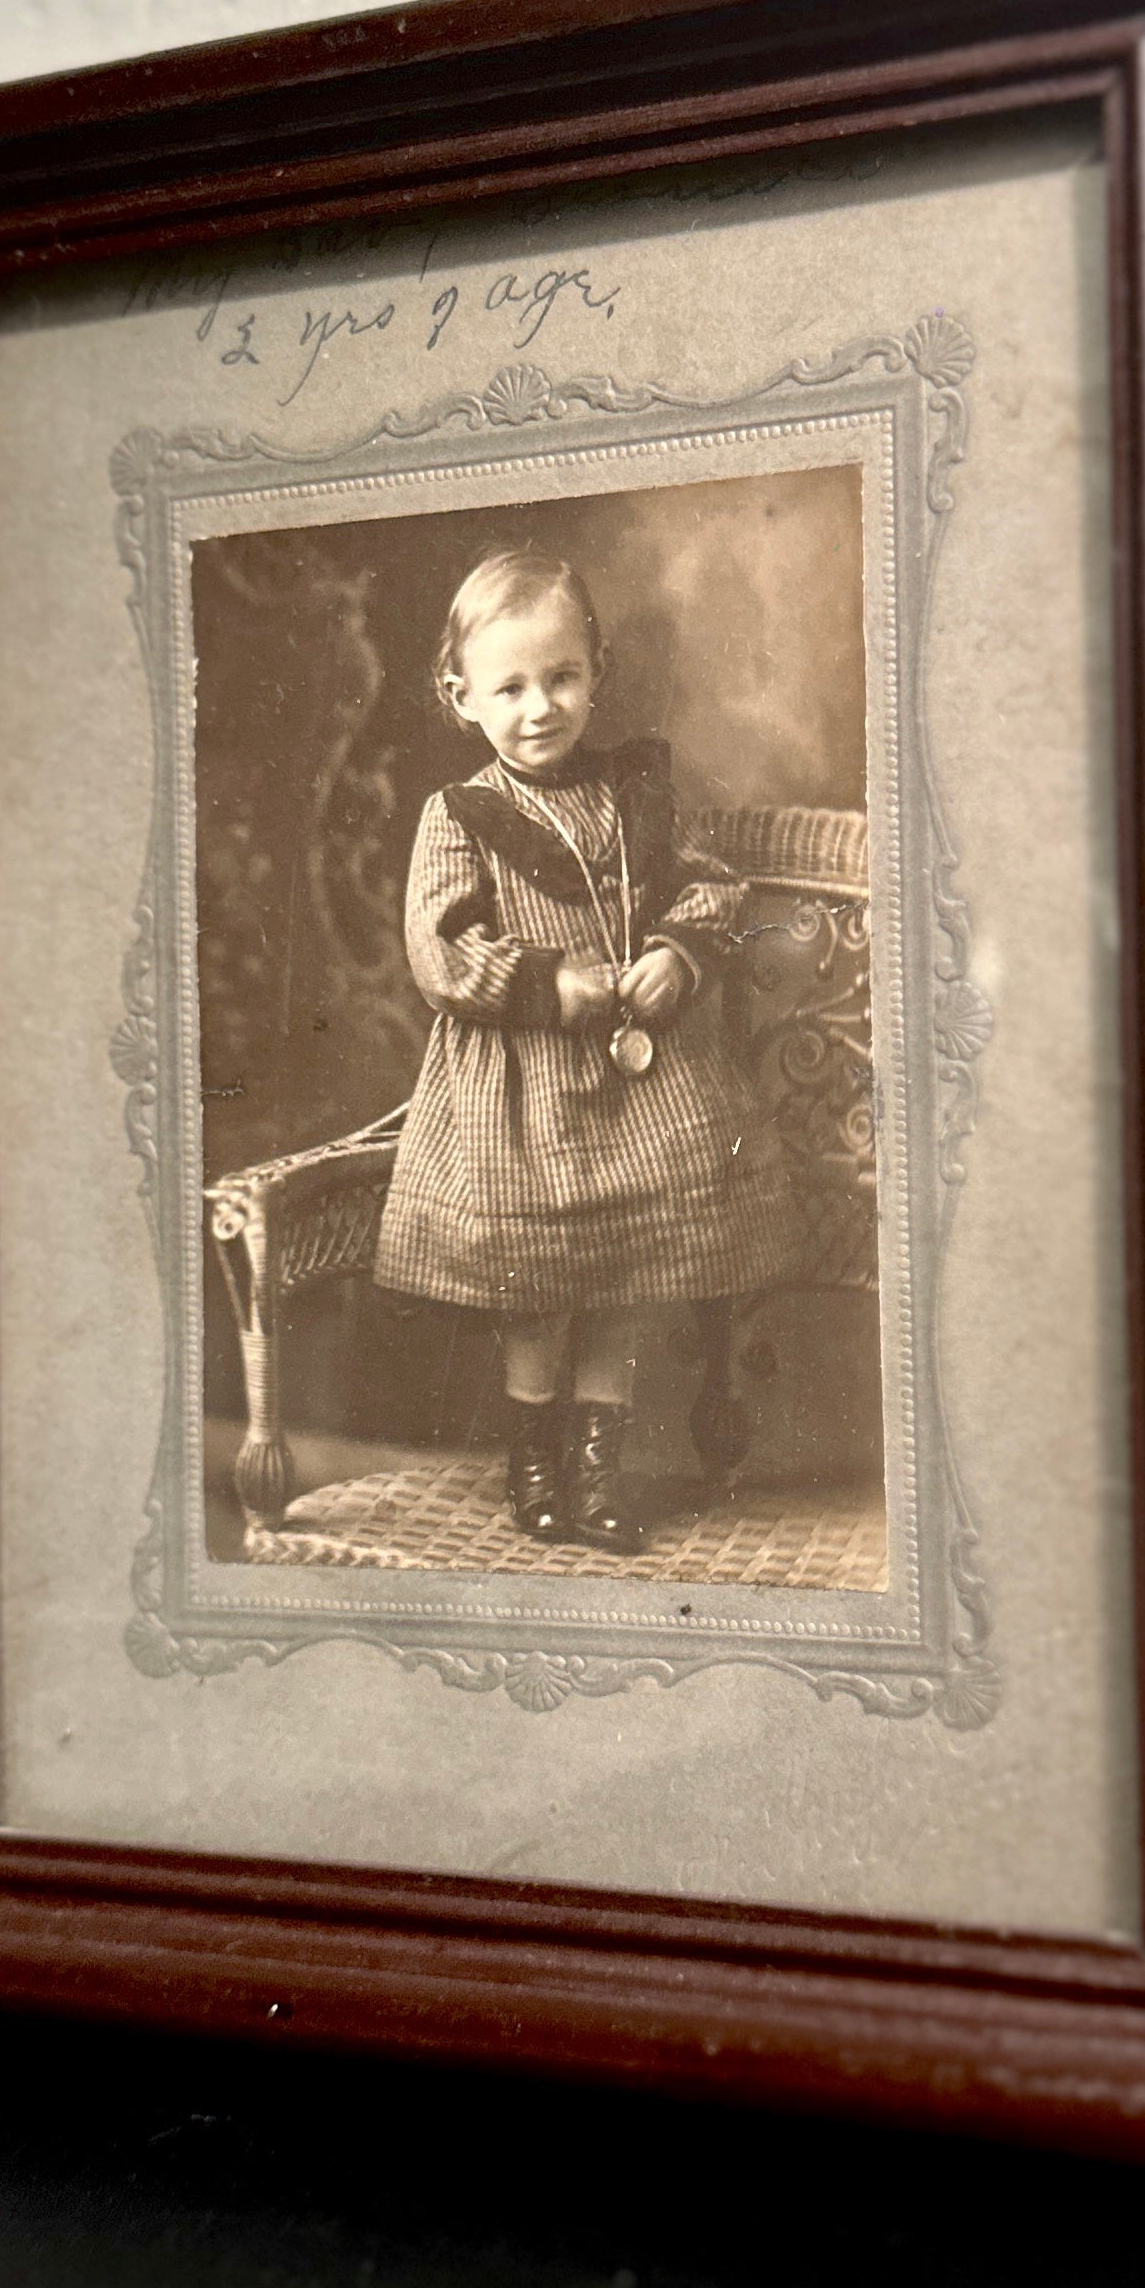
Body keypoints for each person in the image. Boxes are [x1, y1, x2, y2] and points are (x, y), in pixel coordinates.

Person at [372, 547, 798, 1552]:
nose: (539, 707)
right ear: (459, 695)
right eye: (509, 687)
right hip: (521, 1094)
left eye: (561, 677)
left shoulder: (632, 794)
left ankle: (598, 1465)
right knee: (535, 1286)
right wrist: (547, 980)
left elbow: (708, 884)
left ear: (595, 670)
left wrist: (678, 952)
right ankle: (534, 1458)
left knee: (621, 1276)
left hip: (633, 1085)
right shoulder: (460, 816)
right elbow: (438, 948)